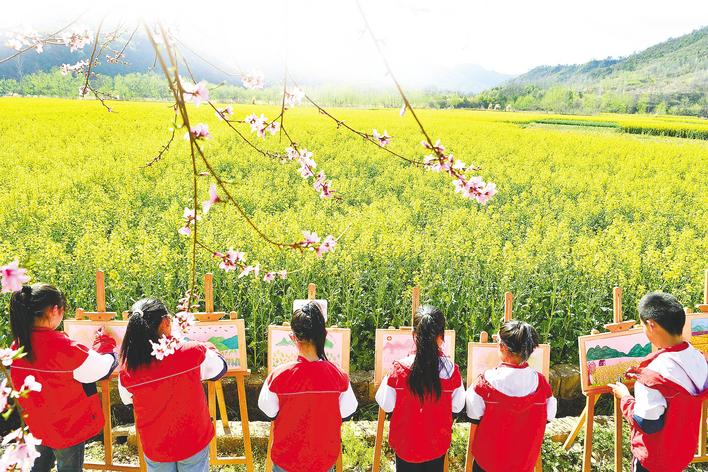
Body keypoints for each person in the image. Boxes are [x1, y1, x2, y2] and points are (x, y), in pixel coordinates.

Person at [9, 283, 117, 472]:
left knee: (39, 465)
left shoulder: (17, 345)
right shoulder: (63, 347)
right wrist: (106, 348)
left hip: (38, 423)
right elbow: (100, 368)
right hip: (67, 428)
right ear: (54, 310)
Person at [118, 298, 227, 472]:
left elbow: (128, 401)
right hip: (192, 438)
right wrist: (207, 347)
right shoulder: (192, 351)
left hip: (156, 443)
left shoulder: (128, 368)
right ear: (166, 322)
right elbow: (220, 369)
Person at [609, 292, 708, 472]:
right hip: (681, 453)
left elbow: (647, 422)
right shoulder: (698, 358)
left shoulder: (652, 374)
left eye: (643, 326)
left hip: (654, 460)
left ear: (651, 325)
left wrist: (625, 398)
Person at [258, 301, 358, 472]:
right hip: (323, 461)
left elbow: (269, 411)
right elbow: (348, 411)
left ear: (293, 337)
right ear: (324, 335)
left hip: (287, 461)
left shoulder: (278, 377)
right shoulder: (339, 377)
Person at [375, 305, 465, 471]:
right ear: (441, 336)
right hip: (436, 446)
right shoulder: (451, 372)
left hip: (405, 445)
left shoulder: (399, 370)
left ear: (414, 334)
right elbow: (458, 406)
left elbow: (386, 404)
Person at [466, 320, 556, 472]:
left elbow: (473, 413)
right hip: (523, 463)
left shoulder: (485, 382)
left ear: (502, 347)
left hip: (489, 462)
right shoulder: (541, 385)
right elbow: (550, 414)